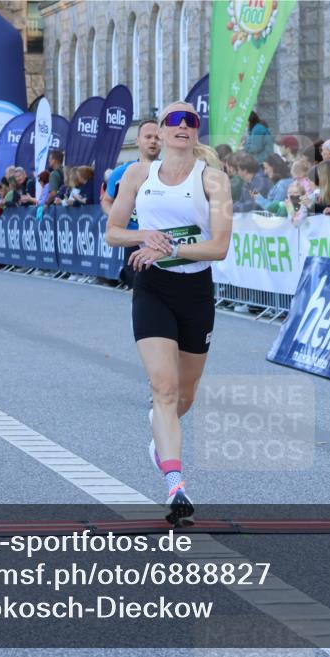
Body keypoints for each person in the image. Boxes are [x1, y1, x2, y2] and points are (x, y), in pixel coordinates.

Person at [105, 101, 233, 525]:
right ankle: (176, 485)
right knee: (163, 388)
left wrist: (171, 247)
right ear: (159, 132)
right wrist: (145, 236)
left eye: (190, 120)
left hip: (195, 291)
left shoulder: (213, 179)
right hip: (153, 287)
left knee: (185, 396)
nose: (182, 125)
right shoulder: (137, 175)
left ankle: (160, 433)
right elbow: (112, 233)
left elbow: (219, 247)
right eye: (173, 120)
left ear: (196, 132)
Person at [102, 119, 163, 288]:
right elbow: (106, 201)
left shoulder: (171, 172)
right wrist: (118, 217)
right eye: (148, 137)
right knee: (139, 290)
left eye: (157, 137)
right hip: (134, 239)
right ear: (137, 141)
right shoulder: (122, 172)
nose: (153, 141)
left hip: (162, 241)